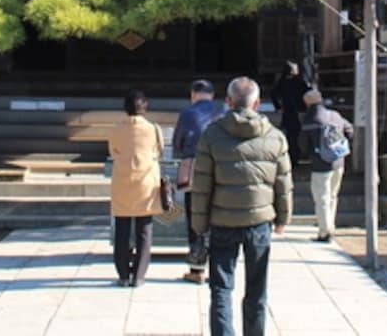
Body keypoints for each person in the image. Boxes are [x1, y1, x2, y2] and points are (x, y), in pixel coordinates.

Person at [192, 76, 292, 336]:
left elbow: (201, 184)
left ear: (228, 102)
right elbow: (283, 184)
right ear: (257, 103)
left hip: (223, 220)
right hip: (259, 222)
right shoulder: (275, 138)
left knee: (221, 288)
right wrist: (283, 217)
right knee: (257, 288)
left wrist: (199, 225)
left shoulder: (212, 135)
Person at [108, 89, 163, 287]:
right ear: (145, 108)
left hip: (122, 182)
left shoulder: (116, 129)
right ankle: (139, 274)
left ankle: (123, 274)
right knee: (144, 229)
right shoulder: (153, 129)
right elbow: (159, 150)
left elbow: (113, 151)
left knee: (121, 230)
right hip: (146, 183)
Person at [172, 78, 225, 284]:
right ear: (212, 95)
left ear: (193, 95)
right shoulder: (223, 111)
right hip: (221, 167)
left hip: (193, 167)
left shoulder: (187, 114)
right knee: (218, 216)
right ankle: (218, 267)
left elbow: (178, 143)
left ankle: (196, 267)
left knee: (195, 216)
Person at [299, 88, 354, 243]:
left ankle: (325, 232)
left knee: (321, 198)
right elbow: (350, 130)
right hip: (338, 162)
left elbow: (302, 143)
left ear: (306, 103)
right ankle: (331, 226)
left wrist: (308, 155)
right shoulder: (334, 115)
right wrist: (342, 146)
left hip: (320, 164)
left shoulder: (310, 120)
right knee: (332, 196)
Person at [270, 60, 310, 163]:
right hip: (297, 112)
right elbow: (307, 91)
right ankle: (295, 156)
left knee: (290, 135)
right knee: (294, 135)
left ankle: (292, 156)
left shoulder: (282, 81)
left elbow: (273, 94)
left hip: (287, 111)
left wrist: (278, 107)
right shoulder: (298, 81)